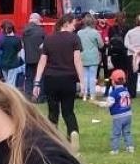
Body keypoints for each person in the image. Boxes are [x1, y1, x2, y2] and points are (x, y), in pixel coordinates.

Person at [33, 16, 82, 154]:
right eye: (73, 24)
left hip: (51, 78)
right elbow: (77, 61)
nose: (74, 27)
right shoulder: (74, 39)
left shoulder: (48, 39)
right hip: (69, 78)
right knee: (68, 111)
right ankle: (72, 133)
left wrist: (37, 82)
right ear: (66, 24)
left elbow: (42, 62)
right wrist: (82, 82)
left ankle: (53, 140)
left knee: (53, 112)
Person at [76, 14, 104, 101]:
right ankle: (92, 95)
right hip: (93, 57)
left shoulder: (79, 33)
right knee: (92, 77)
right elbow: (101, 45)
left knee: (84, 77)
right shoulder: (95, 32)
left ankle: (84, 95)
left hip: (83, 56)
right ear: (93, 22)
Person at [107, 68, 134, 155]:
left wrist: (99, 104)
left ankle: (115, 150)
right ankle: (130, 147)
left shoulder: (113, 93)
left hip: (118, 117)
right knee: (127, 132)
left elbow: (108, 104)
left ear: (113, 82)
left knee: (116, 133)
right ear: (124, 80)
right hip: (128, 115)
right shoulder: (126, 90)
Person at [21, 13, 46, 100]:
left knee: (29, 78)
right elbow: (45, 44)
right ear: (36, 20)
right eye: (39, 20)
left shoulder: (24, 31)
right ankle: (40, 96)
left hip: (28, 58)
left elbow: (23, 44)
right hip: (40, 58)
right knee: (41, 78)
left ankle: (28, 96)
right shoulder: (41, 30)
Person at [0, 22, 23, 88]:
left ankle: (6, 95)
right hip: (13, 64)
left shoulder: (2, 40)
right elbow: (20, 52)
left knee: (7, 82)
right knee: (11, 83)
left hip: (3, 63)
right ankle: (10, 96)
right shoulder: (17, 40)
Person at [124, 13, 140, 99]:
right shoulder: (130, 32)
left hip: (132, 55)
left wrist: (134, 50)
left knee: (131, 75)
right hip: (135, 54)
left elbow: (126, 44)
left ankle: (131, 92)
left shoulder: (130, 32)